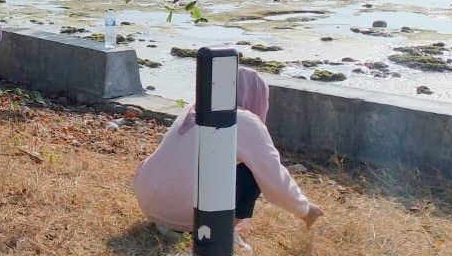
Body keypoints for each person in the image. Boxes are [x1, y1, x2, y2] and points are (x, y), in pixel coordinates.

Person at [132, 66, 322, 246]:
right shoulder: (244, 120)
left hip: (148, 201)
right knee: (252, 169)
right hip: (187, 214)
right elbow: (275, 179)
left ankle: (170, 224)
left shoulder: (194, 108)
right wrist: (305, 210)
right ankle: (224, 233)